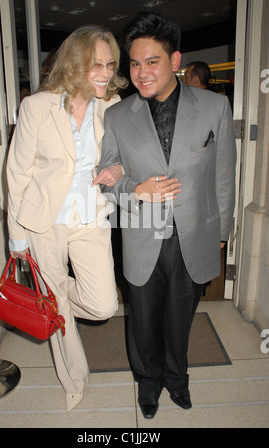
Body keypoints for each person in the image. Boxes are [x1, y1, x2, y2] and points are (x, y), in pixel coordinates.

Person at [95, 12, 236, 419]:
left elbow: (224, 176)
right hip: (140, 231)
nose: (141, 73)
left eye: (151, 61)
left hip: (195, 234)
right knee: (142, 321)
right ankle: (148, 382)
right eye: (134, 63)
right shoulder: (118, 116)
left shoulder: (215, 107)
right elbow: (106, 180)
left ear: (175, 61)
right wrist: (134, 189)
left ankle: (177, 379)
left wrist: (223, 231)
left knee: (180, 319)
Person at [6, 25, 127, 412]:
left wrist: (121, 168)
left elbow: (130, 153)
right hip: (45, 222)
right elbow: (17, 173)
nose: (106, 73)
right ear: (75, 63)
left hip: (90, 217)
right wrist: (17, 235)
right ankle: (73, 379)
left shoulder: (113, 105)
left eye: (110, 64)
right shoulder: (37, 107)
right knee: (55, 303)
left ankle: (57, 301)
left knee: (103, 304)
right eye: (97, 65)